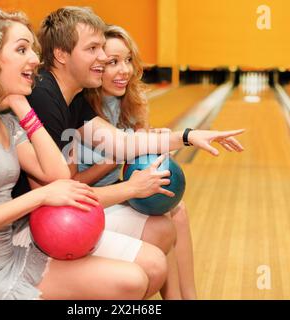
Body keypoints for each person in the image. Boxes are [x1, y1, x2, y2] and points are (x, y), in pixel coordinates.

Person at [0, 9, 168, 300]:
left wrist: (22, 107)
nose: (35, 59)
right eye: (21, 49)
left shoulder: (6, 121)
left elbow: (57, 174)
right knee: (129, 281)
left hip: (7, 253)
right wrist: (41, 196)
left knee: (132, 280)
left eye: (33, 50)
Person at [13, 6, 244, 298]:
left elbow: (123, 144)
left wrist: (187, 136)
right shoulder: (44, 97)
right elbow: (59, 193)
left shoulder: (72, 99)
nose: (102, 57)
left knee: (163, 235)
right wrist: (132, 188)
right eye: (93, 49)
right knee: (144, 272)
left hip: (61, 221)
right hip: (33, 232)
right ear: (61, 54)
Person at [77, 25, 197, 299]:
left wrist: (156, 144)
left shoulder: (132, 101)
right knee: (167, 215)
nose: (124, 70)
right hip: (94, 200)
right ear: (95, 67)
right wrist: (112, 160)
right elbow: (71, 184)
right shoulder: (79, 110)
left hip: (121, 191)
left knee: (178, 210)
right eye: (113, 63)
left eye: (128, 60)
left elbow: (138, 159)